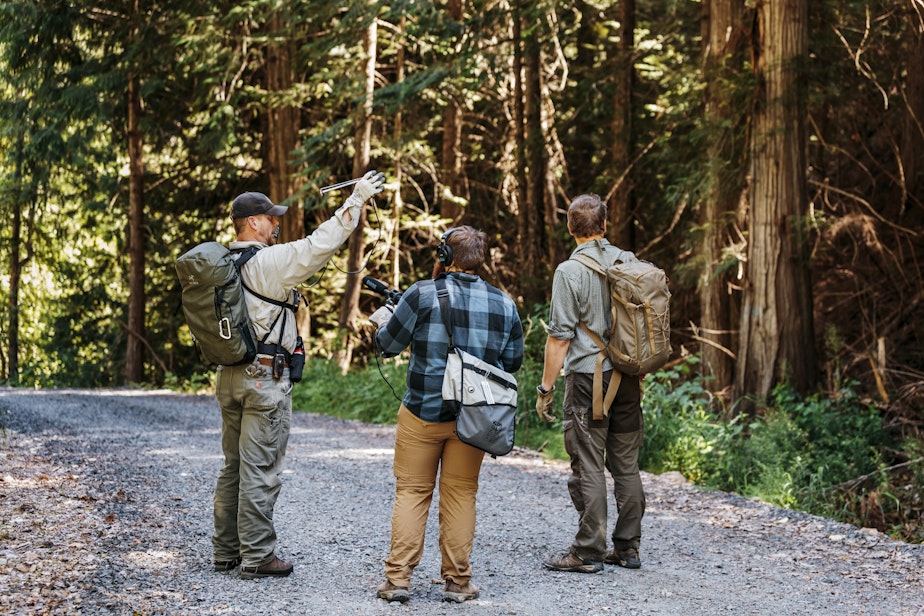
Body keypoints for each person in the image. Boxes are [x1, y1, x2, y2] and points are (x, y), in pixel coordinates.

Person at [212, 170, 385, 579]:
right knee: (260, 467)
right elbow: (318, 246)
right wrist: (355, 200)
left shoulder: (221, 263)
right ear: (252, 222)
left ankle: (225, 551)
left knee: (232, 465)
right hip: (263, 379)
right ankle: (257, 557)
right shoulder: (268, 262)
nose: (276, 224)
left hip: (229, 377)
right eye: (271, 218)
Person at [370, 226, 524, 603]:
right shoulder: (504, 303)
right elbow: (513, 362)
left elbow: (387, 345)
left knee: (412, 492)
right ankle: (457, 583)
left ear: (443, 256)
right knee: (460, 494)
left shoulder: (420, 293)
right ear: (480, 259)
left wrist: (381, 321)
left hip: (421, 411)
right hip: (473, 419)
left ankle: (398, 581)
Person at [535, 193, 646, 573]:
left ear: (570, 227)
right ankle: (628, 548)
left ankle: (588, 552)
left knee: (588, 465)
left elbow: (560, 338)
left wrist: (546, 388)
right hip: (629, 377)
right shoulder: (629, 262)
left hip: (587, 379)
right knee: (626, 466)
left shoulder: (568, 271)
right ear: (604, 225)